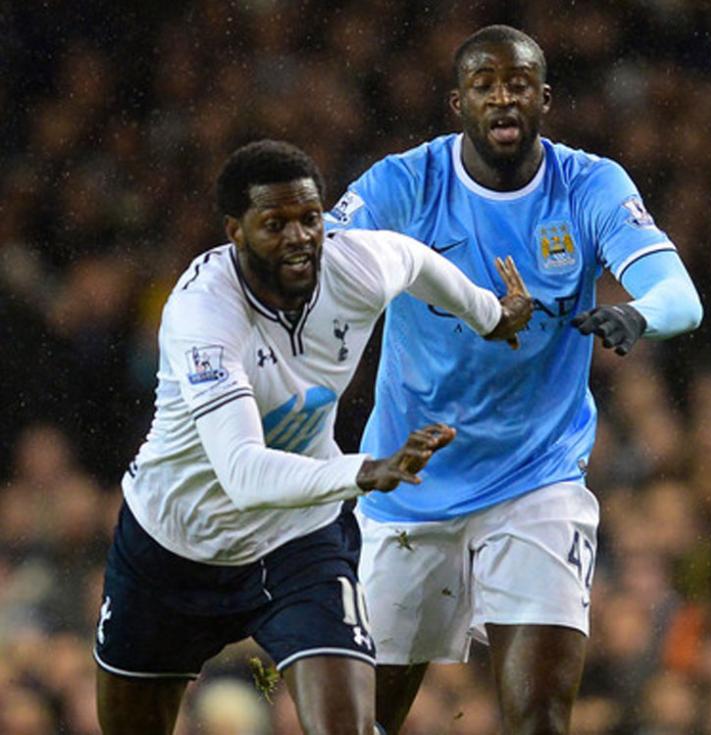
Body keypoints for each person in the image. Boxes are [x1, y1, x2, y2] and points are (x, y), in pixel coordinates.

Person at [325, 25, 703, 735]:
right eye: (485, 85)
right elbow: (323, 257)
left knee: (538, 718)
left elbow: (680, 293)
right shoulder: (407, 182)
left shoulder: (589, 184)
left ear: (545, 99)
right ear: (456, 102)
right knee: (355, 720)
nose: (503, 98)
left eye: (519, 84)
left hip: (538, 479)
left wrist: (639, 316)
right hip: (412, 482)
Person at [93, 139, 532, 735]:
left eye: (310, 218)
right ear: (235, 232)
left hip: (297, 539)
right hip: (173, 547)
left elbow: (414, 261)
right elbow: (244, 473)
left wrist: (489, 314)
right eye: (275, 224)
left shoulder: (354, 265)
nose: (300, 237)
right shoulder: (203, 315)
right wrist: (363, 471)